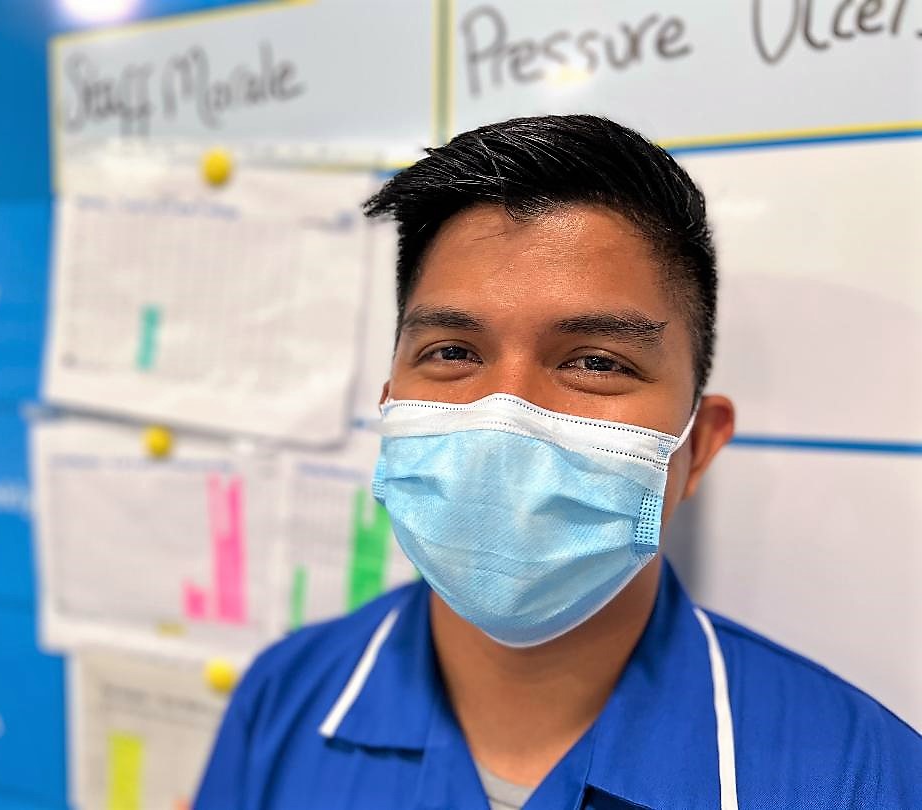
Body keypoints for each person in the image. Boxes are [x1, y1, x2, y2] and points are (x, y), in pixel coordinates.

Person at [193, 115, 922, 809]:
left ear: (698, 446)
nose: (504, 412)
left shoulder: (862, 782)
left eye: (596, 362)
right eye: (452, 352)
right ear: (391, 407)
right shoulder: (282, 705)